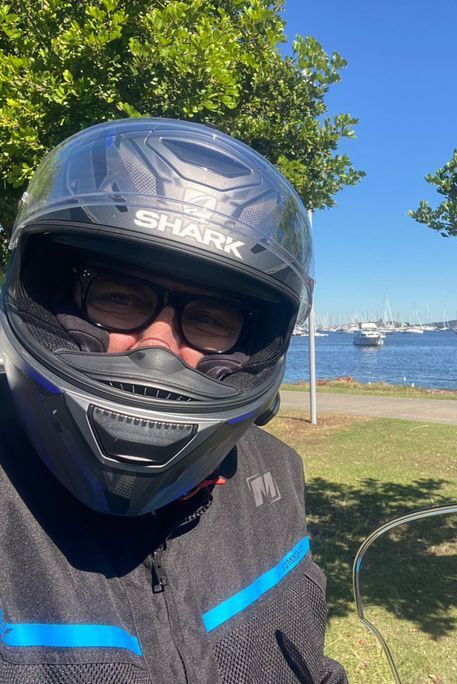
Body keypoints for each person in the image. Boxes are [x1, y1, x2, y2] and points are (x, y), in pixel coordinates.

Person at [0, 118, 347, 683]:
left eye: (208, 319)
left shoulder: (276, 475)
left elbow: (309, 663)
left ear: (251, 349)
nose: (157, 347)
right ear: (53, 302)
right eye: (118, 297)